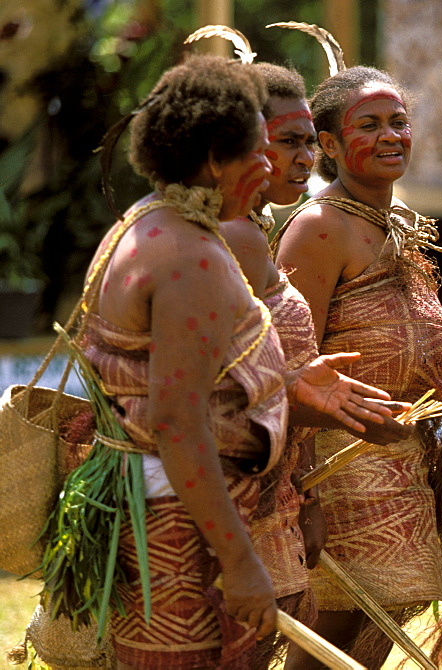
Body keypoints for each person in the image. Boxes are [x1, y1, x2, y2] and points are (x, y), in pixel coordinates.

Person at [77, 54, 398, 669]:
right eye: (257, 150)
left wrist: (288, 386)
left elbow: (183, 381)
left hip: (167, 508)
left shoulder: (147, 222)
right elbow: (175, 424)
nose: (269, 166)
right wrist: (241, 561)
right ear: (213, 161)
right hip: (178, 525)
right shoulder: (189, 257)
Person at [216, 60, 412, 670]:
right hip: (224, 494)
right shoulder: (238, 237)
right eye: (289, 142)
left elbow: (268, 372)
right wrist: (318, 429)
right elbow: (214, 396)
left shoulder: (249, 230)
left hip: (263, 489)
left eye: (307, 142)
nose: (305, 159)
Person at [272, 66, 442, 669]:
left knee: (370, 639)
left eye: (399, 122)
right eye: (369, 125)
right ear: (328, 145)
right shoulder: (319, 228)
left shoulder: (400, 220)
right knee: (329, 637)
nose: (391, 136)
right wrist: (301, 495)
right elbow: (289, 368)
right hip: (339, 468)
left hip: (402, 463)